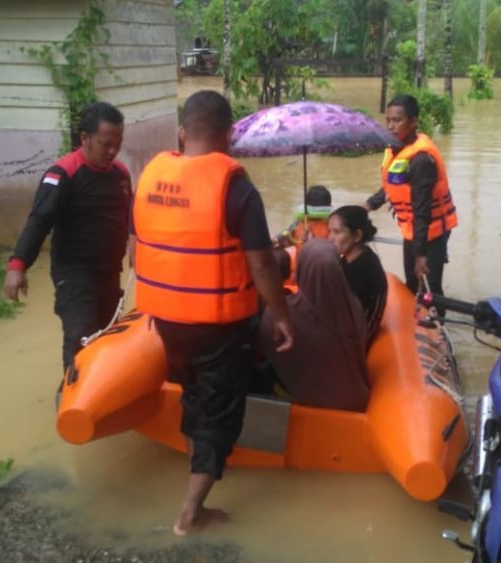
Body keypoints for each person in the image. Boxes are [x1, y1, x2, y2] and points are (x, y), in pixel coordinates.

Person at [130, 90, 294, 535]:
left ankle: (201, 464)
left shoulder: (150, 177)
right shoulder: (236, 188)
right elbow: (261, 263)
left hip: (167, 320)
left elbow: (138, 249)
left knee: (194, 396)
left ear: (183, 132)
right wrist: (280, 316)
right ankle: (190, 513)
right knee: (220, 412)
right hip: (219, 325)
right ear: (230, 133)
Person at [2, 102, 131, 375]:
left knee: (108, 336)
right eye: (105, 143)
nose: (112, 151)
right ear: (84, 138)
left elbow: (129, 217)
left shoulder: (121, 174)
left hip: (109, 272)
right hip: (74, 274)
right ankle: (71, 405)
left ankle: (101, 400)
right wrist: (17, 266)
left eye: (117, 144)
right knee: (81, 339)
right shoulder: (63, 174)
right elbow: (39, 222)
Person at [259, 239, 370, 412]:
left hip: (312, 401)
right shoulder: (354, 306)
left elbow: (264, 350)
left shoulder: (281, 315)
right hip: (357, 396)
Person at [365, 94, 458, 300]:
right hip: (412, 228)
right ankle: (415, 322)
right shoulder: (395, 149)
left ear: (414, 121)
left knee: (429, 287)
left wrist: (420, 255)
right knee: (411, 283)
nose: (390, 126)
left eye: (397, 120)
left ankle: (438, 323)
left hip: (430, 230)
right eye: (388, 120)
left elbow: (422, 211)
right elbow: (393, 184)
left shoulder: (421, 161)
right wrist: (369, 205)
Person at [328, 205, 388, 342]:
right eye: (329, 231)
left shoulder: (363, 267)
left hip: (357, 338)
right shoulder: (351, 257)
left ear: (357, 235)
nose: (330, 238)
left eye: (336, 232)